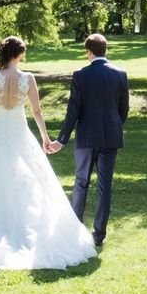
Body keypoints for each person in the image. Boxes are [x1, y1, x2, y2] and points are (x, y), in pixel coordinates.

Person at [0, 36, 96, 269]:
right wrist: (46, 138)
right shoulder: (27, 78)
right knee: (27, 182)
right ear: (18, 55)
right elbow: (37, 111)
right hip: (19, 135)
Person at [47, 34, 129, 247]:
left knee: (81, 182)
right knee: (105, 186)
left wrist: (61, 139)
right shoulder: (120, 74)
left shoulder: (81, 75)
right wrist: (113, 126)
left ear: (88, 52)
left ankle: (75, 229)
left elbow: (73, 110)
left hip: (86, 138)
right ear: (105, 50)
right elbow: (124, 110)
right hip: (111, 137)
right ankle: (99, 235)